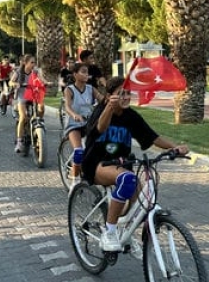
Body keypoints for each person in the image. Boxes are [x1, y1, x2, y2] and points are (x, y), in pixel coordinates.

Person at [81, 76, 188, 252]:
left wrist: (174, 148)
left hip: (122, 166)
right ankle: (110, 232)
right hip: (97, 163)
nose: (125, 97)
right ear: (109, 96)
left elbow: (152, 137)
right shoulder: (101, 111)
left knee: (141, 204)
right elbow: (100, 127)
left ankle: (125, 234)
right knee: (128, 179)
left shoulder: (131, 116)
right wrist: (109, 107)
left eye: (128, 93)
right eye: (120, 93)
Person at [63, 62, 104, 191]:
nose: (87, 75)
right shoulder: (69, 90)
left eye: (87, 72)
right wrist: (74, 115)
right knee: (79, 151)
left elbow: (102, 99)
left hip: (89, 124)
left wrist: (110, 99)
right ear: (75, 74)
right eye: (83, 72)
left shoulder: (91, 89)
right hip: (74, 125)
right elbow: (67, 107)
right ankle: (74, 180)